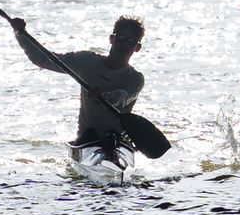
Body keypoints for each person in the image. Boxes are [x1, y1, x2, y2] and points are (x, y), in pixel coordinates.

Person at [10, 13, 145, 156]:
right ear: (111, 39)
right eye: (121, 38)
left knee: (113, 136)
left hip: (117, 141)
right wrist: (20, 34)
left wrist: (105, 96)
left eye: (130, 42)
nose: (124, 45)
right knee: (89, 135)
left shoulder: (135, 78)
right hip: (88, 138)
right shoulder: (86, 61)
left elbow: (124, 96)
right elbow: (42, 59)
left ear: (137, 47)